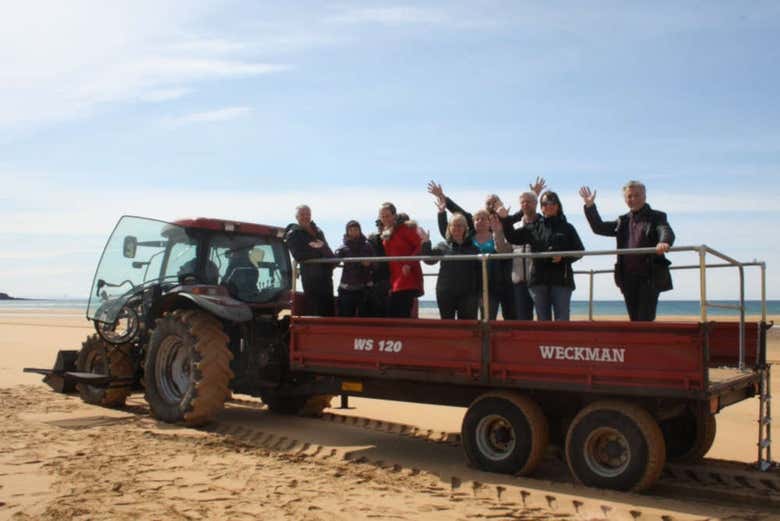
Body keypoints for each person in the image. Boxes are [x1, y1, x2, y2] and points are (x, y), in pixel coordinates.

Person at [579, 181, 675, 321]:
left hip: (649, 276)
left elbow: (665, 230)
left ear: (644, 196)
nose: (633, 199)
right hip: (627, 277)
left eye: (637, 195)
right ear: (625, 199)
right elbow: (599, 228)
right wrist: (590, 206)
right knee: (634, 319)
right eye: (629, 196)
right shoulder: (622, 221)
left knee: (644, 319)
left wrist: (664, 242)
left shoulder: (656, 216)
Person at [426, 181, 515, 319]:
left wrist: (502, 220)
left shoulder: (499, 230)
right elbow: (449, 230)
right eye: (488, 203)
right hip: (472, 285)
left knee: (491, 319)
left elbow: (509, 247)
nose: (481, 221)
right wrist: (442, 200)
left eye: (494, 202)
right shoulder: (468, 236)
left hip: (495, 283)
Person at [498, 191, 584, 321]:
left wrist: (563, 258)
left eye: (552, 202)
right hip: (539, 281)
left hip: (561, 280)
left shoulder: (567, 227)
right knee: (543, 321)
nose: (548, 206)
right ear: (541, 207)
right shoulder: (534, 226)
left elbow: (579, 251)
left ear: (558, 205)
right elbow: (513, 237)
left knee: (562, 320)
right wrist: (505, 219)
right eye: (545, 203)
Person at [421, 207, 481, 319]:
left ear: (465, 228)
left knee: (467, 326)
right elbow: (429, 260)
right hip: (446, 292)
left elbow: (480, 273)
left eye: (460, 225)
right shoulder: (443, 245)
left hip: (468, 294)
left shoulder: (474, 248)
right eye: (454, 225)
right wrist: (426, 243)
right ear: (449, 227)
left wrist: (479, 293)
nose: (457, 228)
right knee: (448, 325)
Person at [284, 205, 336, 316]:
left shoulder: (318, 231)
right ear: (297, 217)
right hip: (311, 279)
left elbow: (328, 251)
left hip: (326, 277)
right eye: (302, 214)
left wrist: (320, 249)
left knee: (329, 309)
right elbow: (298, 255)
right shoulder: (293, 234)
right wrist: (319, 250)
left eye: (308, 214)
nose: (305, 217)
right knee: (315, 310)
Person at [379, 202, 425, 318]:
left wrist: (409, 264)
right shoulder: (386, 233)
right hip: (394, 281)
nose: (385, 219)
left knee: (401, 316)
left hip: (407, 279)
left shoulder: (406, 229)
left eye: (387, 216)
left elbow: (421, 246)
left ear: (394, 215)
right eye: (382, 216)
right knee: (393, 316)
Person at [335, 220, 374, 317]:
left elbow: (376, 264)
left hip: (364, 288)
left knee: (365, 317)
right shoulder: (343, 247)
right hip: (347, 289)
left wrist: (369, 264)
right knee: (346, 316)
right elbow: (334, 260)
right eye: (351, 230)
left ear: (360, 231)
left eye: (356, 229)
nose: (353, 232)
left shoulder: (368, 246)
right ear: (347, 232)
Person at [366, 218, 391, 317]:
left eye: (382, 225)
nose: (380, 227)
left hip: (389, 275)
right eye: (378, 225)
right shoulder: (372, 239)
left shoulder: (393, 237)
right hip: (375, 276)